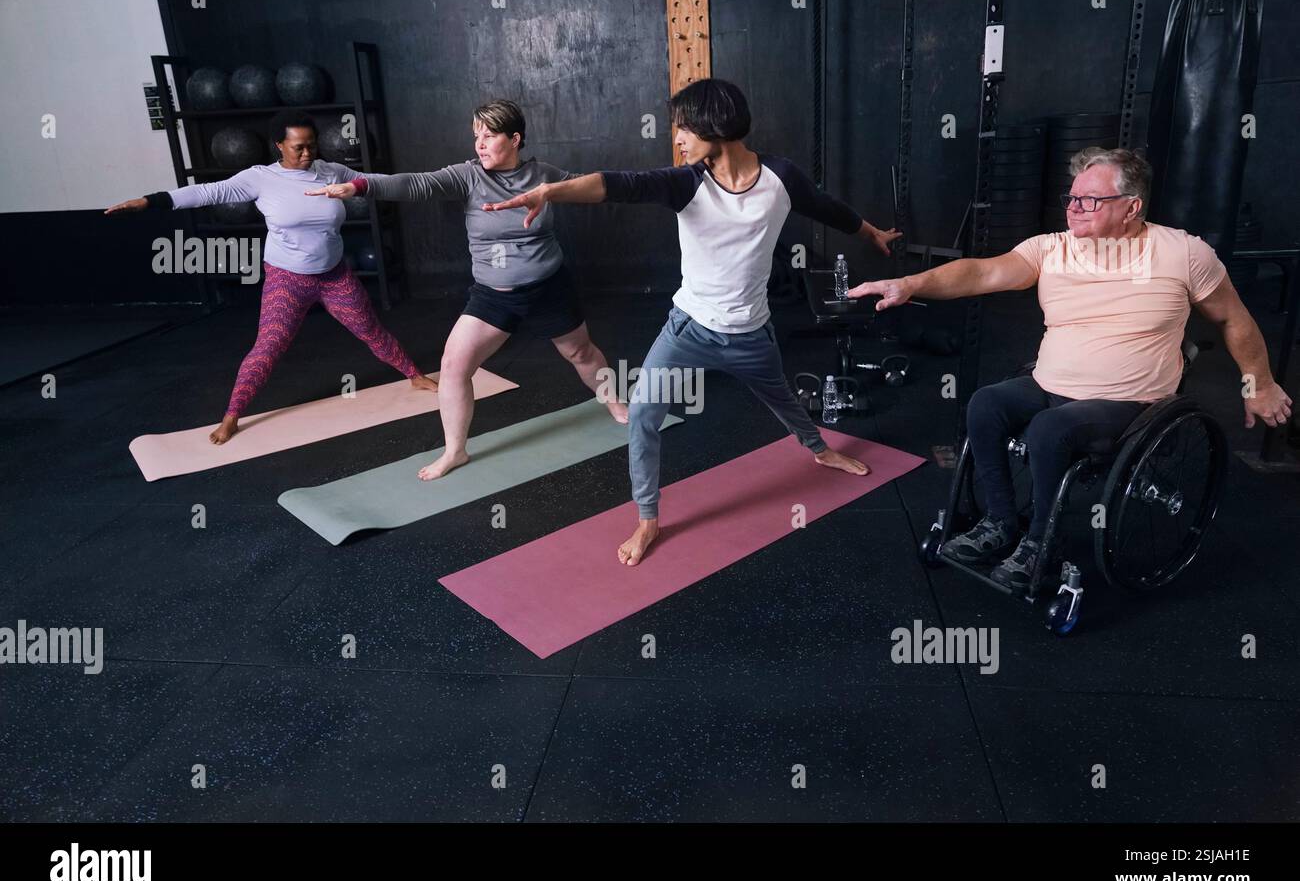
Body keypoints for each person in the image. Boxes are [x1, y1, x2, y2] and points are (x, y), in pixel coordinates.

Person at [483, 78, 901, 566]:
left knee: (783, 399)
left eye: (682, 128)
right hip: (688, 331)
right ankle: (647, 519)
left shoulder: (780, 178)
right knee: (642, 415)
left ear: (714, 125)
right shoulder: (687, 182)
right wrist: (551, 191)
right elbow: (615, 184)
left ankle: (818, 448)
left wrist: (870, 232)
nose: (677, 138)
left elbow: (826, 207)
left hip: (751, 334)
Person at [848, 146, 1292, 592]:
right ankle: (1001, 522)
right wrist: (908, 284)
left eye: (1091, 200)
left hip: (1128, 402)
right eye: (1072, 198)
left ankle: (1043, 543)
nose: (1075, 208)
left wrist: (1260, 383)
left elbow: (1234, 318)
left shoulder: (1183, 254)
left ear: (1132, 207)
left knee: (1048, 430)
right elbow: (981, 274)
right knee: (986, 405)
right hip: (1050, 383)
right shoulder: (1050, 249)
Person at [307, 99, 625, 481]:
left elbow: (589, 186)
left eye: (489, 136)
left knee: (581, 351)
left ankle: (618, 406)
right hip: (493, 295)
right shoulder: (468, 176)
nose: (480, 144)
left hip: (548, 287)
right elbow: (417, 183)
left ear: (515, 138)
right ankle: (454, 451)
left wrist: (655, 187)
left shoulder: (544, 175)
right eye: (476, 136)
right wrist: (359, 185)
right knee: (454, 368)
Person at [106, 109, 435, 444]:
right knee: (268, 347)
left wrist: (417, 183)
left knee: (370, 329)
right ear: (279, 145)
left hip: (335, 275)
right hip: (287, 280)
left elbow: (374, 182)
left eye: (312, 145)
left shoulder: (331, 172)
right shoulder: (261, 178)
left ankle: (414, 375)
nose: (308, 153)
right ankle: (232, 416)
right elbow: (208, 192)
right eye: (298, 147)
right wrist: (150, 202)